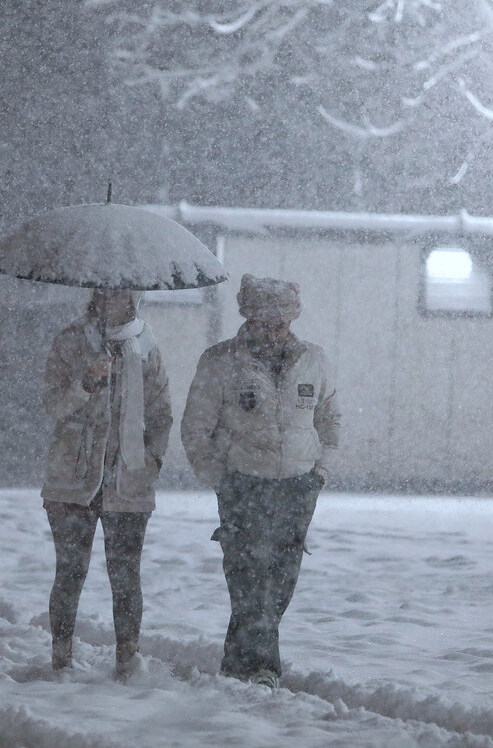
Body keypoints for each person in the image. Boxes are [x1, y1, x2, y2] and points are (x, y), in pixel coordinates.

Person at [180, 274, 340, 689]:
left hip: (298, 486)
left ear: (292, 320)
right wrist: (222, 480)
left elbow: (330, 418)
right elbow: (197, 429)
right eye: (263, 322)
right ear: (247, 316)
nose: (272, 332)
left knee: (281, 580)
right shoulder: (221, 361)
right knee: (250, 580)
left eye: (280, 323)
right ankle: (263, 669)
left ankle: (237, 664)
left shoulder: (314, 359)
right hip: (243, 486)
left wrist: (320, 472)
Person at [41, 288, 172, 676]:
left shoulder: (146, 345)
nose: (111, 299)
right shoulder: (70, 340)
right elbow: (53, 405)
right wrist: (86, 380)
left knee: (125, 573)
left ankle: (128, 660)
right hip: (72, 479)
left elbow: (161, 413)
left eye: (121, 293)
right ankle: (61, 658)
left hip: (128, 481)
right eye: (105, 292)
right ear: (94, 296)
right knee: (70, 570)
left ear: (133, 299)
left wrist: (148, 463)